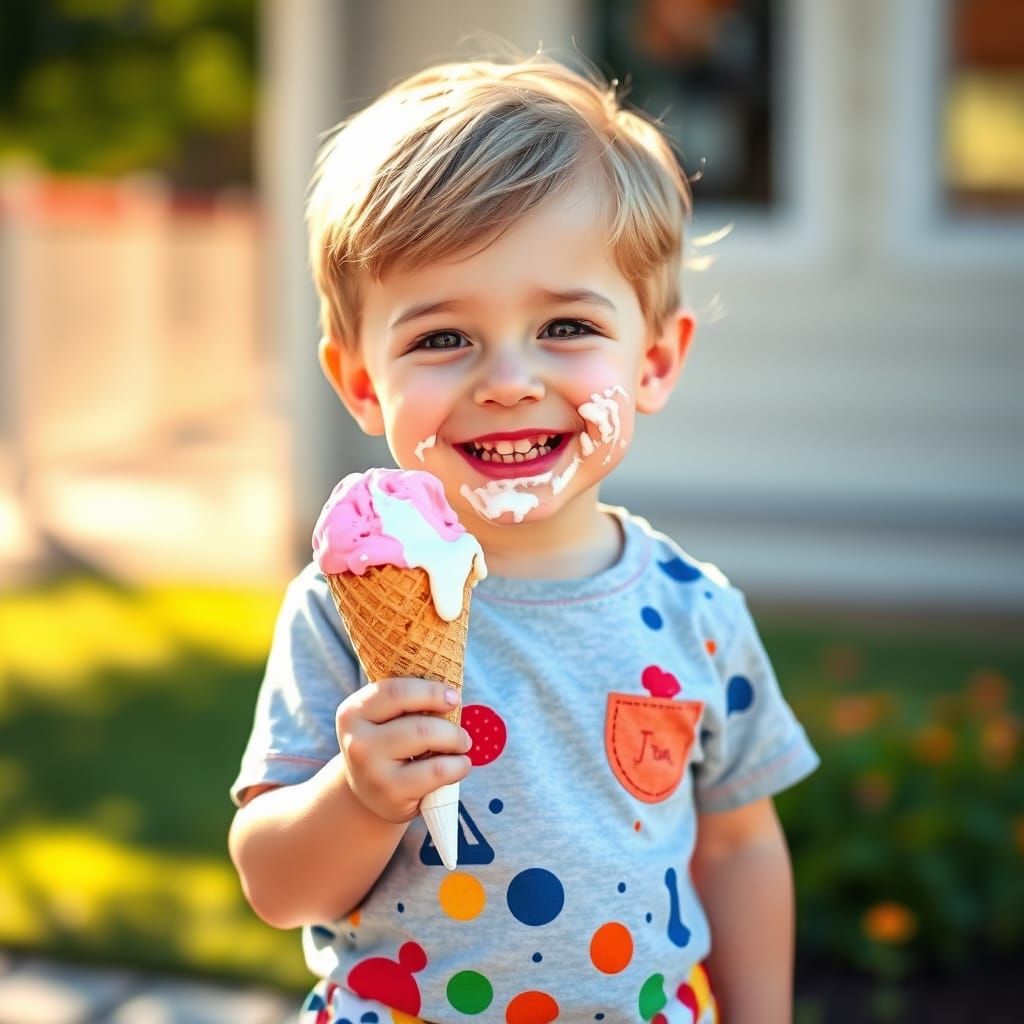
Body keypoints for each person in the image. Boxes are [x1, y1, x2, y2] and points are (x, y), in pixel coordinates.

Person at [229, 51, 818, 1024]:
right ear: (364, 383)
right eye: (441, 338)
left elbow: (740, 845)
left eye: (565, 326)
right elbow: (277, 884)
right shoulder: (341, 608)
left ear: (655, 360)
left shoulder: (696, 612)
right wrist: (357, 794)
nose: (507, 378)